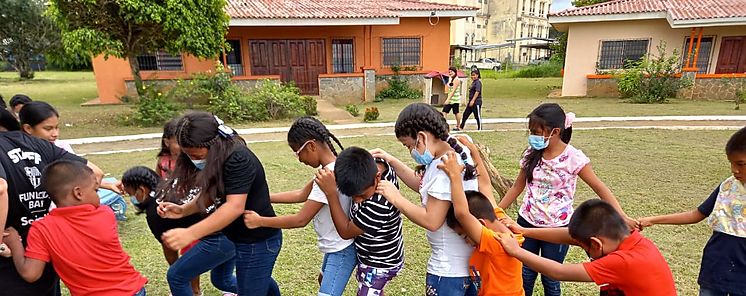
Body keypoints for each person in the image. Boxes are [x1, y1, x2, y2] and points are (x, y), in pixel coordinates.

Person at [496, 103, 634, 296]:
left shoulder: (574, 158)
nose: (533, 136)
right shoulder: (531, 154)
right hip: (526, 221)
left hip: (558, 228)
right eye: (531, 131)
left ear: (555, 131)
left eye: (537, 131)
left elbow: (599, 187)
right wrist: (495, 211)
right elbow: (518, 186)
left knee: (551, 278)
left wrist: (622, 215)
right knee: (524, 274)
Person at [156, 112, 282, 295]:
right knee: (247, 283)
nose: (193, 159)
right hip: (239, 237)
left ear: (212, 144)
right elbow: (212, 193)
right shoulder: (218, 158)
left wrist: (190, 233)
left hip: (259, 241)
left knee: (251, 288)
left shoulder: (238, 158)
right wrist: (183, 210)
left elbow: (234, 206)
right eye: (188, 155)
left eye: (195, 154)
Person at [371, 102, 479, 296]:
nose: (409, 151)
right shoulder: (453, 154)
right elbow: (425, 188)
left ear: (421, 137)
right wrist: (392, 161)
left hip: (448, 272)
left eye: (409, 146)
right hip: (469, 265)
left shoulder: (443, 167)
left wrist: (396, 197)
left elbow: (432, 220)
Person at [242, 116, 354, 296]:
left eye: (297, 152)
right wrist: (263, 197)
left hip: (340, 249)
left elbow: (300, 219)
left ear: (311, 146)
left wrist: (260, 221)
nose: (299, 159)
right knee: (323, 280)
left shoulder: (328, 175)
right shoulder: (335, 167)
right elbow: (301, 194)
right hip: (335, 247)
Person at [2, 160, 148, 295]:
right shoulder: (105, 213)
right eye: (96, 191)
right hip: (133, 289)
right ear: (78, 193)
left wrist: (15, 243)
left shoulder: (42, 229)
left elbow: (30, 273)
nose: (98, 197)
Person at [0, 107, 105, 295]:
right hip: (45, 249)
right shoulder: (41, 146)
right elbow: (96, 173)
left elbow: (1, 189)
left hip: (10, 252)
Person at [638, 126, 746, 296]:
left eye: (740, 164)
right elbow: (697, 214)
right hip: (716, 269)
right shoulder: (727, 186)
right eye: (731, 163)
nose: (734, 170)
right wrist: (653, 219)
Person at [496, 199, 677, 295]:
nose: (586, 252)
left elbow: (559, 272)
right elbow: (571, 236)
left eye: (586, 248)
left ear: (596, 244)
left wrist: (516, 251)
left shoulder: (624, 262)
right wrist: (524, 231)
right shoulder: (628, 240)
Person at [122, 166, 239, 296]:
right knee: (223, 280)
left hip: (221, 237)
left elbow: (169, 246)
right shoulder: (170, 184)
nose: (131, 199)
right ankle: (264, 289)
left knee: (176, 276)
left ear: (142, 190)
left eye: (131, 194)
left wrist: (180, 268)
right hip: (235, 226)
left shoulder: (155, 212)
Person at [315, 147, 405, 296]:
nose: (356, 201)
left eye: (361, 196)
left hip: (379, 262)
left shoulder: (378, 204)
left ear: (377, 177)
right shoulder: (369, 166)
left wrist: (331, 194)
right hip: (369, 252)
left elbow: (345, 231)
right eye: (352, 196)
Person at [439, 139, 524, 296]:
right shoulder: (501, 221)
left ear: (479, 224)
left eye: (465, 235)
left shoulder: (497, 242)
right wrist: (474, 151)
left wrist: (454, 175)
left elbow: (462, 214)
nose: (466, 240)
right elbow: (484, 185)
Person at [19, 101, 121, 195]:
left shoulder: (60, 147)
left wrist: (108, 185)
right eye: (48, 129)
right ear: (28, 128)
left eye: (57, 127)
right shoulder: (14, 153)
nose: (55, 134)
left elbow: (78, 174)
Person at [441, 67, 463, 131]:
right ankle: (444, 126)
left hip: (455, 99)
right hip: (450, 99)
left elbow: (453, 91)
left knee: (456, 112)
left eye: (452, 72)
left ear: (455, 72)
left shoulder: (456, 80)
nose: (450, 73)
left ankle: (458, 126)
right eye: (449, 72)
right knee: (444, 112)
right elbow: (448, 87)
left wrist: (448, 99)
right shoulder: (451, 79)